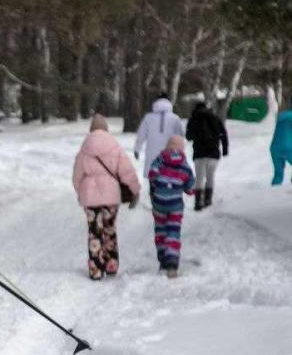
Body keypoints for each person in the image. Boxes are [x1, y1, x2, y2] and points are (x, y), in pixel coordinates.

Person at [72, 114, 142, 280]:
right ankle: (111, 265)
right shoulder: (114, 146)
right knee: (109, 229)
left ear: (91, 129)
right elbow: (127, 171)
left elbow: (76, 176)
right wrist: (135, 190)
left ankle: (96, 270)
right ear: (106, 129)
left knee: (94, 232)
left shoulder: (84, 149)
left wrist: (81, 192)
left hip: (90, 198)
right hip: (111, 197)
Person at [148, 135, 196, 278]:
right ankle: (172, 262)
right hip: (175, 205)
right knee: (173, 232)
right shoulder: (184, 166)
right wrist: (187, 188)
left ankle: (163, 258)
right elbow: (190, 188)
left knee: (160, 231)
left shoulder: (160, 159)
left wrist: (157, 186)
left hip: (159, 203)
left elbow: (152, 174)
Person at [185, 101, 229, 209]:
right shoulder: (215, 118)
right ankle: (208, 199)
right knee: (210, 177)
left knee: (199, 178)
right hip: (214, 153)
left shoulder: (193, 119)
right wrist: (225, 150)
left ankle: (198, 202)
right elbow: (223, 134)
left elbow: (188, 136)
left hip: (199, 154)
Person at [135, 93, 184, 178]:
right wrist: (181, 151)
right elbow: (180, 136)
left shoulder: (148, 117)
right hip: (169, 153)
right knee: (168, 176)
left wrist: (137, 149)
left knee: (152, 174)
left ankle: (152, 186)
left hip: (152, 153)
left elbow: (141, 135)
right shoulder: (175, 118)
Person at [270, 106, 292, 185]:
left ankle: (273, 190)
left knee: (278, 174)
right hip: (287, 147)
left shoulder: (282, 115)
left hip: (274, 148)